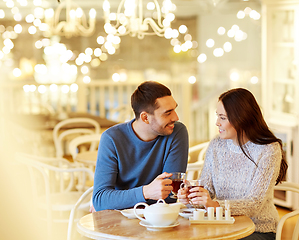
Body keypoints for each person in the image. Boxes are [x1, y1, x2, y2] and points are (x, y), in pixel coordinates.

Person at [178, 88, 288, 240]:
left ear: (242, 118)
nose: (217, 123)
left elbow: (254, 204)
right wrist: (192, 198)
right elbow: (208, 192)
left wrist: (214, 205)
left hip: (258, 229)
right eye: (218, 116)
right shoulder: (217, 144)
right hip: (220, 225)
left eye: (222, 117)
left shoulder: (268, 150)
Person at [92, 81, 189, 211]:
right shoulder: (111, 138)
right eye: (167, 113)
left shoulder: (176, 132)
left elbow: (169, 195)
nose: (176, 117)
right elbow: (100, 200)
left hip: (159, 218)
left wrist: (116, 200)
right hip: (120, 219)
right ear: (145, 117)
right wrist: (146, 192)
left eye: (175, 109)